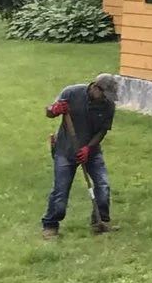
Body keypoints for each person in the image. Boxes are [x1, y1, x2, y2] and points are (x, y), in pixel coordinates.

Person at [42, 73, 118, 239]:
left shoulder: (108, 106)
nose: (106, 99)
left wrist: (89, 149)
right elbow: (49, 111)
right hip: (65, 150)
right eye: (104, 95)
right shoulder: (71, 93)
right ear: (95, 87)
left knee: (103, 186)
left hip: (91, 150)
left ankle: (100, 221)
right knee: (60, 190)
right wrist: (55, 110)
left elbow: (102, 130)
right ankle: (50, 225)